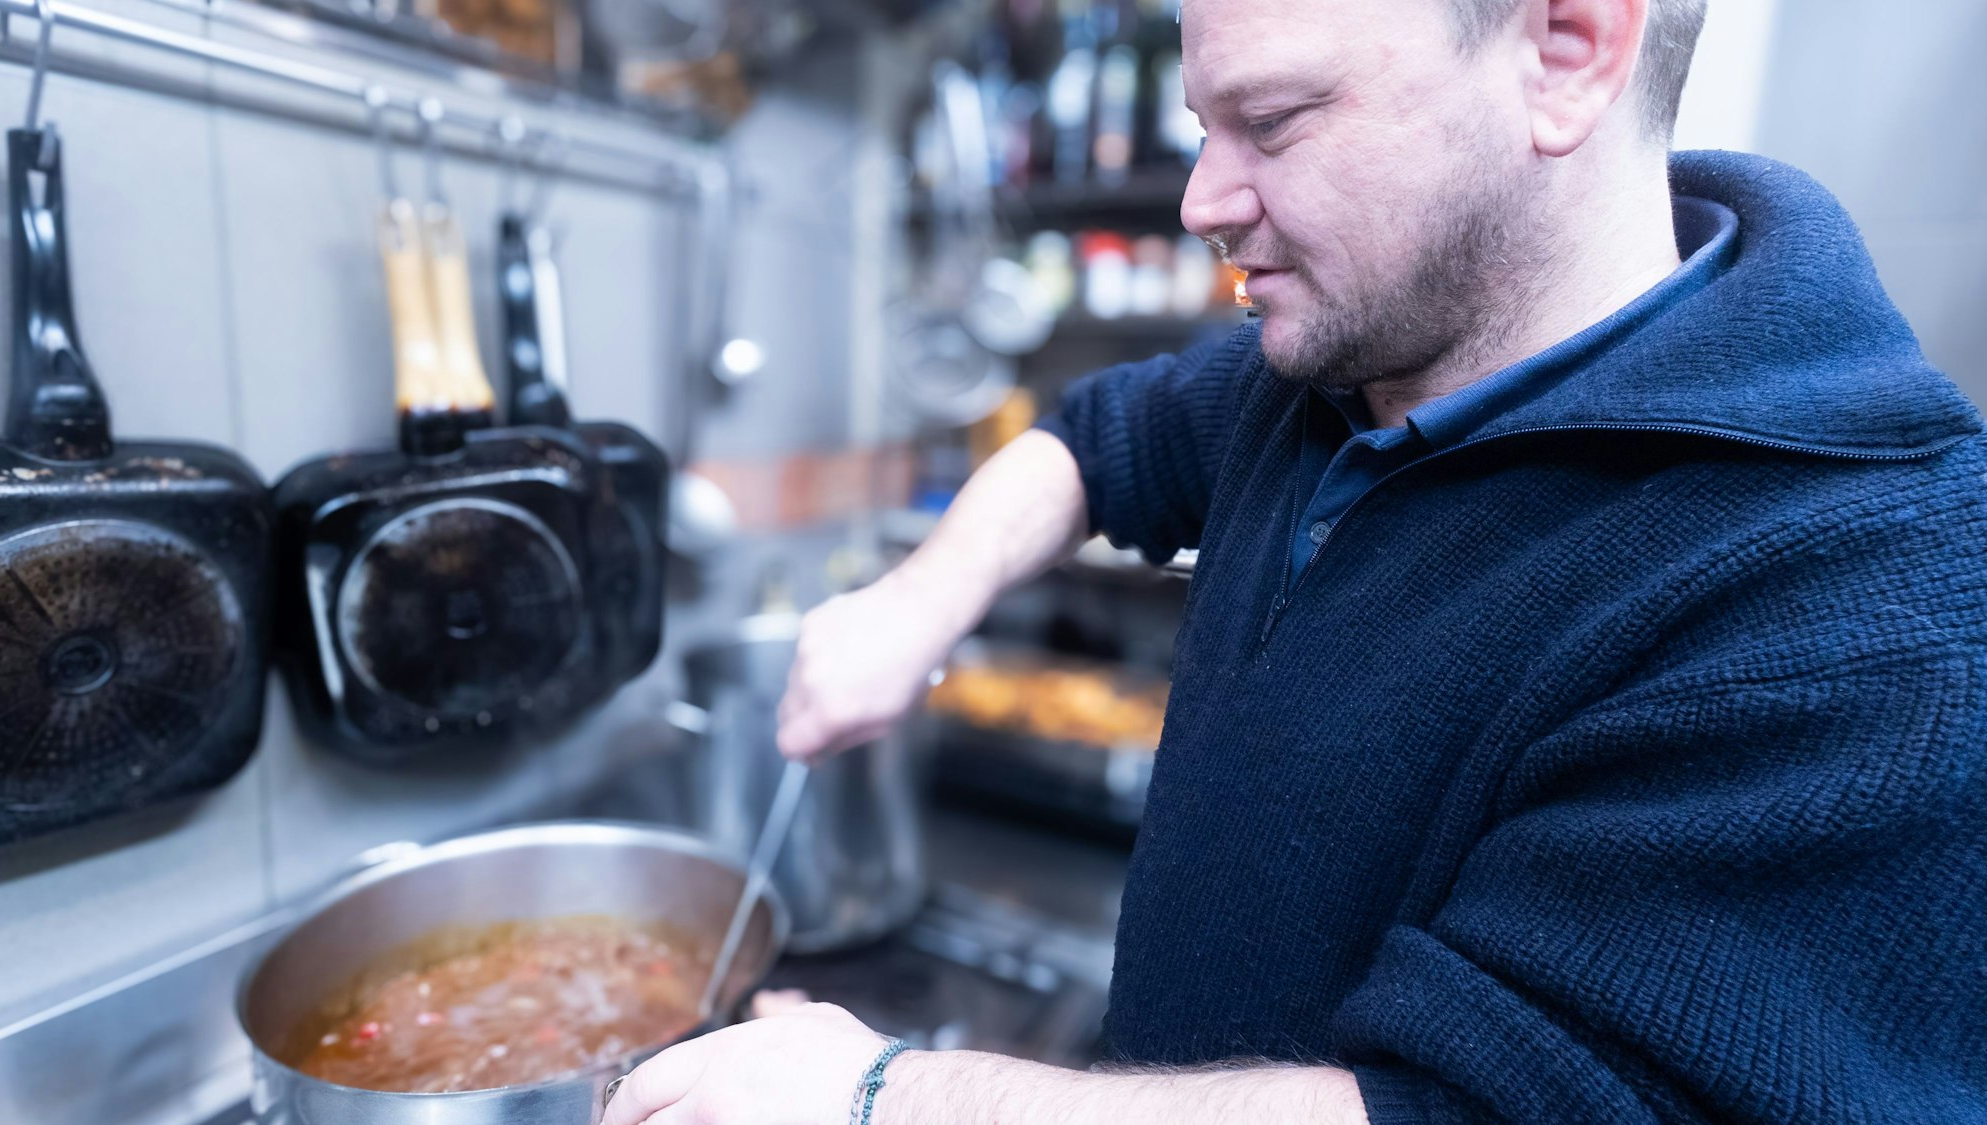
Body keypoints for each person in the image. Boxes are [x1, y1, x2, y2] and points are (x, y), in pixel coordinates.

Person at [604, 0, 1987, 1119]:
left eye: (1274, 121)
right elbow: (1102, 437)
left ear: (1566, 51)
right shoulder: (1345, 352)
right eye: (1207, 127)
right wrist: (915, 601)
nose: (1208, 200)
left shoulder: (1865, 594)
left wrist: (880, 1094)